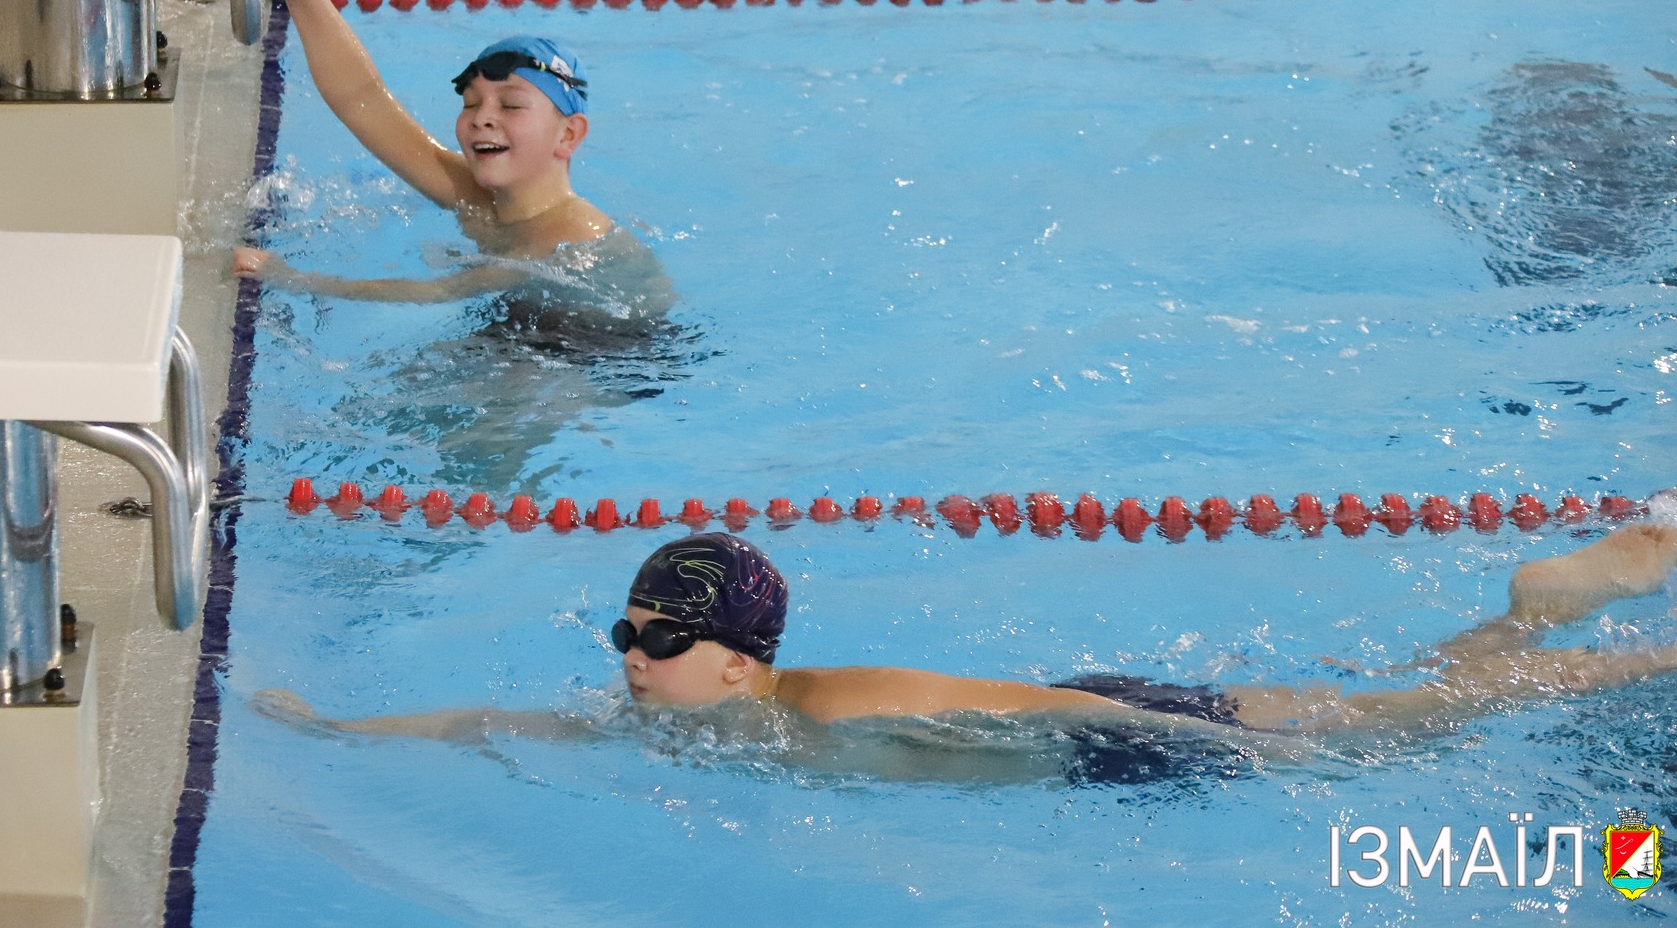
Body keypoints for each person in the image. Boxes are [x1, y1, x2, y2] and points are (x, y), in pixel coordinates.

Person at [255, 521, 1677, 780]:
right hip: (1097, 742)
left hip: (1127, 732)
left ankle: (1626, 655)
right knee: (1414, 700)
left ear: (742, 656)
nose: (631, 652)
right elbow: (506, 730)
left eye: (664, 633)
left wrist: (1252, 748)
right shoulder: (675, 720)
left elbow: (1035, 706)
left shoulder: (842, 702)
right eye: (627, 626)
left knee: (1399, 725)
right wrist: (330, 732)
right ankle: (1536, 613)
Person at [234, 0, 668, 312]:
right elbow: (363, 102)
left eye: (512, 105)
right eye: (471, 103)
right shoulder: (477, 198)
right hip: (529, 332)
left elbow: (435, 293)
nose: (482, 117)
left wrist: (292, 277)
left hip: (610, 359)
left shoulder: (570, 235)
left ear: (568, 135)